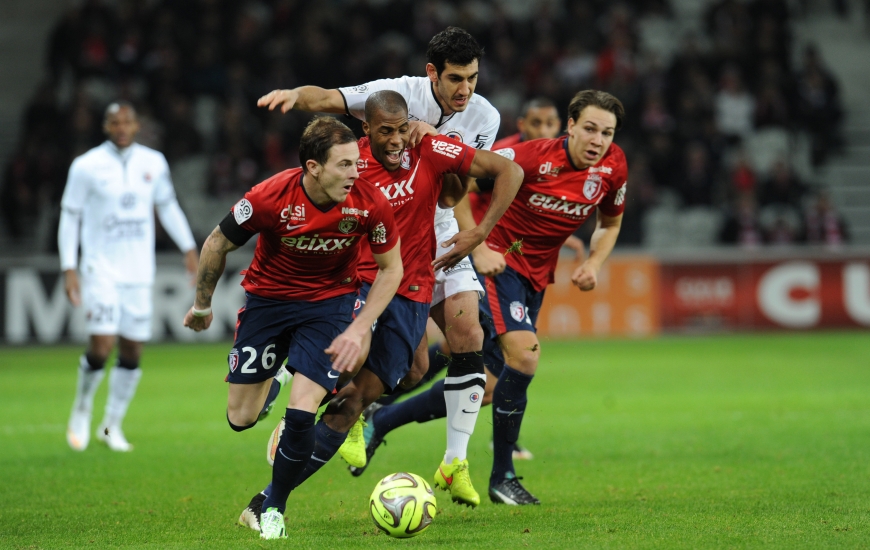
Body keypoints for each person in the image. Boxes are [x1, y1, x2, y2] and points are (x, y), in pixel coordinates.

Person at [237, 91, 522, 534]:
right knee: (343, 373)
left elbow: (509, 170)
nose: (394, 140)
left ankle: (309, 421)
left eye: (400, 128)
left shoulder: (427, 145)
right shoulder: (349, 166)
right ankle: (273, 489)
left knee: (406, 374)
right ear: (366, 130)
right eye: (383, 130)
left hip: (410, 289)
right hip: (357, 286)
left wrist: (479, 232)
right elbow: (309, 208)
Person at [360, 90, 629, 505]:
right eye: (590, 128)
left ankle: (383, 417)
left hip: (534, 278)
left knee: (484, 384)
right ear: (570, 126)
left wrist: (594, 262)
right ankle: (502, 475)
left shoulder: (613, 167)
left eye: (607, 133)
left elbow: (610, 222)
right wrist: (479, 242)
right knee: (524, 356)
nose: (598, 140)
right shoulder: (526, 156)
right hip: (499, 265)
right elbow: (463, 185)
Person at [183, 116, 404, 540]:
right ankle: (277, 380)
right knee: (241, 418)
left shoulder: (368, 201)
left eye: (357, 163)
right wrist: (202, 304)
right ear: (313, 166)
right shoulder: (270, 197)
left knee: (302, 415)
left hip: (329, 305)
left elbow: (391, 269)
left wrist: (360, 326)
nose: (355, 173)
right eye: (344, 165)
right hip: (268, 304)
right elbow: (217, 242)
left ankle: (272, 510)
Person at [60, 101, 198, 453]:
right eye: (114, 122)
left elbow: (166, 206)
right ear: (105, 126)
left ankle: (111, 426)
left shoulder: (153, 162)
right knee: (102, 344)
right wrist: (68, 267)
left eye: (127, 122)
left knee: (133, 350)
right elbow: (70, 215)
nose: (121, 127)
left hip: (139, 271)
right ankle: (81, 407)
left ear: (137, 126)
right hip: (100, 268)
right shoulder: (86, 166)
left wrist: (187, 247)